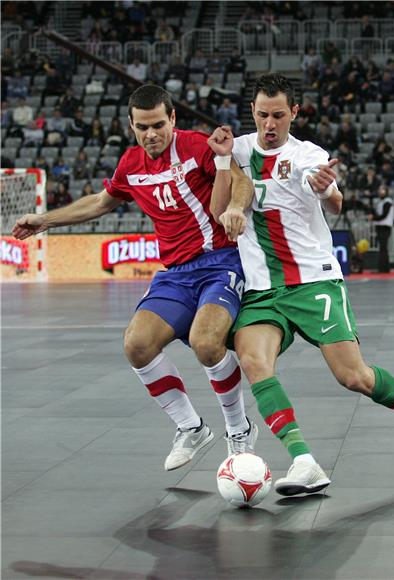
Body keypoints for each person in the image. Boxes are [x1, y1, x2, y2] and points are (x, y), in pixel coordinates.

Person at [208, 73, 394, 497]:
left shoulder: (307, 154)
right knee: (254, 362)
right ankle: (303, 461)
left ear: (294, 112)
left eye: (279, 115)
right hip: (262, 290)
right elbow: (218, 208)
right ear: (253, 113)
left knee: (353, 377)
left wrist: (325, 189)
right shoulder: (238, 149)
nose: (270, 124)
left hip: (313, 282)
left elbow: (335, 200)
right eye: (262, 115)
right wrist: (223, 161)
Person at [12, 84, 257, 471]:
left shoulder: (196, 147)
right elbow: (100, 202)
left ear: (172, 119)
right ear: (131, 125)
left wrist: (237, 209)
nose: (151, 134)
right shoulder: (130, 164)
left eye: (158, 124)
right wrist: (45, 220)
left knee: (206, 343)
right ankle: (191, 428)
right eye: (142, 127)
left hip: (220, 262)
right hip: (175, 274)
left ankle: (238, 429)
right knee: (137, 344)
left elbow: (241, 181)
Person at [368, 185, 394, 273]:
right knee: (383, 248)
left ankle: (383, 269)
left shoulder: (387, 202)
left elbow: (383, 215)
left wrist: (373, 218)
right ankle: (385, 268)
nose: (380, 192)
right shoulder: (381, 202)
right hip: (380, 226)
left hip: (384, 227)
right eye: (379, 190)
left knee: (383, 248)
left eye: (382, 190)